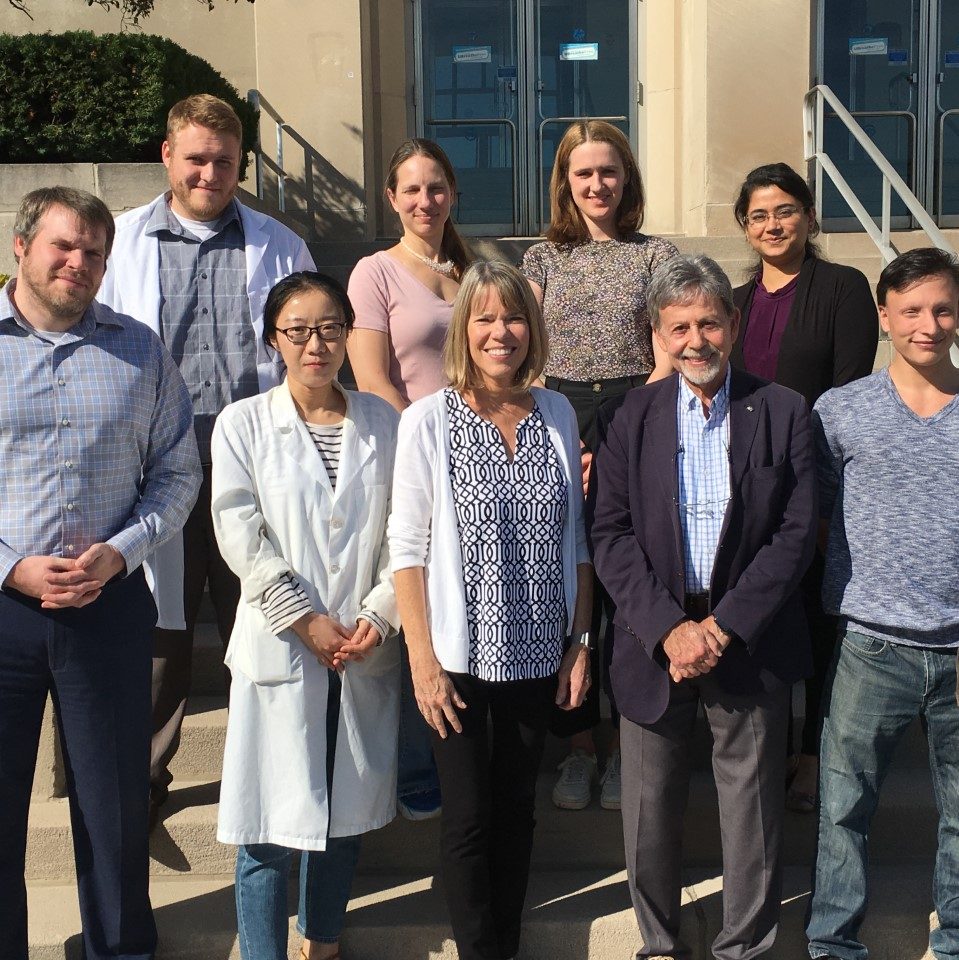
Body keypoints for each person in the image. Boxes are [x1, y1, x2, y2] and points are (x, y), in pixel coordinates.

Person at [589, 254, 817, 960]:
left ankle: (742, 947)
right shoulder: (626, 416)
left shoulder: (783, 410)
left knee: (752, 812)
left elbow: (796, 533)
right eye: (679, 327)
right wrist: (669, 630)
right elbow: (609, 533)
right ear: (657, 334)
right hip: (651, 636)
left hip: (747, 635)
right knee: (648, 810)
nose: (696, 340)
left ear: (733, 324)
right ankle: (658, 945)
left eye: (709, 323)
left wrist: (722, 626)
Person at [97, 93, 316, 827]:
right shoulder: (120, 243)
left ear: (240, 164)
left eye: (224, 161)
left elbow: (308, 350)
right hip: (156, 474)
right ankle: (139, 787)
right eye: (195, 158)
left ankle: (274, 778)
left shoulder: (279, 245)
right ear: (167, 155)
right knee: (160, 640)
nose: (209, 174)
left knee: (266, 620)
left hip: (252, 474)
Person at [0, 187, 200, 960]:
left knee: (114, 809)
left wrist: (124, 550)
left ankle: (120, 950)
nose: (78, 262)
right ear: (22, 247)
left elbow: (177, 470)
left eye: (93, 251)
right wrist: (12, 568)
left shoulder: (140, 351)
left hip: (107, 606)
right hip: (3, 610)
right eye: (63, 246)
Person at [390, 260, 592, 960]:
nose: (499, 331)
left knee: (517, 812)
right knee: (469, 820)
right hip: (457, 659)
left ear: (531, 329)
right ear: (462, 330)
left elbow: (578, 541)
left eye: (512, 318)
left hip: (541, 653)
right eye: (484, 318)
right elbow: (406, 549)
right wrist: (421, 660)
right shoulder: (427, 420)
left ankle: (505, 945)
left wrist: (580, 643)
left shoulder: (557, 412)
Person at [212, 271, 400, 960]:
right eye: (297, 330)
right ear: (273, 339)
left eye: (328, 328)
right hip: (282, 645)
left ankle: (320, 943)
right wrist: (304, 619)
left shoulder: (384, 421)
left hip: (360, 645)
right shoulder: (243, 424)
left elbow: (406, 533)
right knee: (266, 829)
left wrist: (378, 615)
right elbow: (239, 533)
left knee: (343, 819)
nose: (314, 344)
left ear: (348, 334)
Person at [806, 247, 959, 960]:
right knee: (843, 811)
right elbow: (812, 516)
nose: (927, 325)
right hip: (871, 644)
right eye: (911, 310)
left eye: (942, 309)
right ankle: (832, 945)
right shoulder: (840, 411)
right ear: (883, 316)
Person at [521, 119, 678, 811]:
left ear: (626, 178)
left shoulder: (655, 254)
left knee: (627, 579)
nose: (596, 184)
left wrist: (630, 427)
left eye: (608, 171)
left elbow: (667, 345)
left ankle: (622, 745)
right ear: (565, 181)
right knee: (568, 576)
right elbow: (525, 350)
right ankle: (578, 744)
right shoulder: (542, 259)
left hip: (636, 410)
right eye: (582, 173)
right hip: (559, 413)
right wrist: (556, 427)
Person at [731, 161, 878, 812]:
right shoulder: (734, 302)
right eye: (758, 215)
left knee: (820, 623)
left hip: (814, 482)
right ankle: (764, 748)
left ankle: (814, 754)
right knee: (760, 617)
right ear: (744, 227)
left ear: (809, 217)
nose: (772, 224)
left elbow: (848, 397)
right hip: (744, 488)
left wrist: (822, 495)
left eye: (785, 210)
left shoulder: (842, 288)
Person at [347, 137, 471, 819]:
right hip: (412, 463)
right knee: (413, 604)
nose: (426, 200)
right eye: (412, 189)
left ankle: (461, 746)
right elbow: (371, 378)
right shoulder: (375, 272)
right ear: (392, 198)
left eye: (436, 186)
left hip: (481, 464)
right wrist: (434, 449)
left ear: (453, 193)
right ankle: (416, 762)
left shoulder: (472, 269)